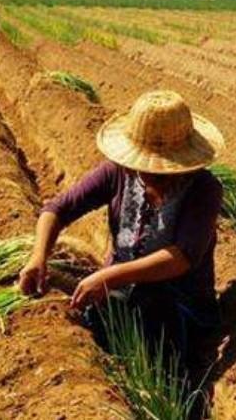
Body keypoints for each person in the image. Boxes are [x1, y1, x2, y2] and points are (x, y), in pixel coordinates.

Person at [18, 90, 225, 389]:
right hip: (119, 294)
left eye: (164, 169)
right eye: (147, 166)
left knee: (151, 310)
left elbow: (182, 257)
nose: (153, 175)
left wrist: (109, 276)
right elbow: (57, 209)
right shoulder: (117, 173)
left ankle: (169, 390)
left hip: (178, 304)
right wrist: (38, 257)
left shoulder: (204, 189)